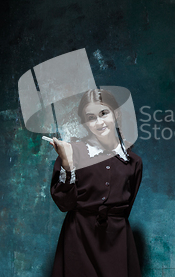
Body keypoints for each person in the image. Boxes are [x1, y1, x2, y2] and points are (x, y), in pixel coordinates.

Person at [49, 89, 143, 277]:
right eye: (91, 117)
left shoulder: (134, 161)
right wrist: (67, 164)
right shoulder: (71, 152)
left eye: (103, 113)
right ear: (84, 122)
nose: (99, 122)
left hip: (117, 240)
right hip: (79, 239)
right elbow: (64, 204)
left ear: (115, 113)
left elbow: (126, 207)